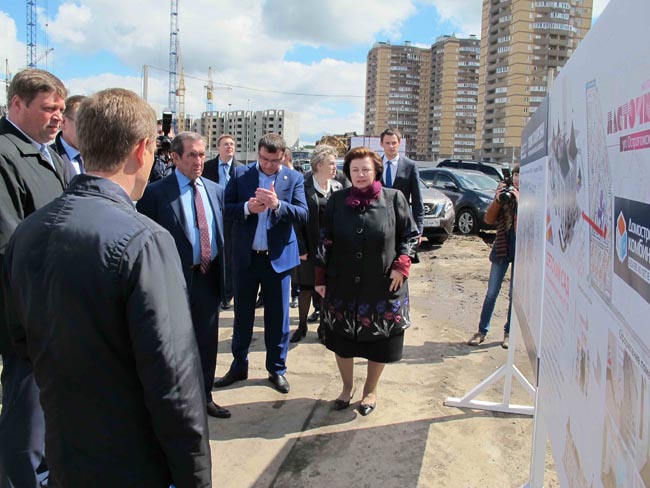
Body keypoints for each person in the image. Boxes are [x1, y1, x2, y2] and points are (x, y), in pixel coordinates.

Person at [2, 88, 212, 487]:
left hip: (61, 453)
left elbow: (20, 339)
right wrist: (196, 477)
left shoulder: (27, 231)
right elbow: (174, 381)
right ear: (142, 149)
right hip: (131, 462)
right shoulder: (146, 239)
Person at [0, 68, 68, 487]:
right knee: (26, 417)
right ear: (17, 104)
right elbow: (10, 247)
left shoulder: (51, 157)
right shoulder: (5, 156)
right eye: (48, 108)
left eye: (61, 108)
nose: (58, 116)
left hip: (53, 307)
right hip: (26, 313)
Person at [315, 147, 418, 416]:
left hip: (381, 284)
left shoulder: (393, 198)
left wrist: (402, 265)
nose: (360, 174)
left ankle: (370, 390)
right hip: (342, 284)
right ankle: (347, 387)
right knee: (342, 340)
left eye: (365, 169)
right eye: (355, 170)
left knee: (378, 342)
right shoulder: (337, 200)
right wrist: (320, 276)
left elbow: (410, 235)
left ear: (376, 172)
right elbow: (325, 239)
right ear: (348, 173)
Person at [137, 131, 231, 419]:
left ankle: (205, 397)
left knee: (206, 343)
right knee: (172, 346)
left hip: (208, 278)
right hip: (172, 282)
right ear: (175, 157)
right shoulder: (155, 193)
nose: (198, 160)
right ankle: (173, 403)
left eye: (202, 154)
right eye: (192, 155)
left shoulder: (215, 190)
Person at [214, 133, 308, 394]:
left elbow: (303, 214)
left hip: (277, 260)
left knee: (278, 318)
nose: (268, 165)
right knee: (242, 315)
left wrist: (278, 205)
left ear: (283, 157)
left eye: (274, 161)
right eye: (264, 159)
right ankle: (238, 365)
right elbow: (224, 208)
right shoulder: (240, 174)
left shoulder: (294, 178)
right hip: (246, 258)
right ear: (258, 153)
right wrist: (247, 208)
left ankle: (276, 369)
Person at [290, 144, 343, 343]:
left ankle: (323, 327)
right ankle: (302, 326)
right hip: (309, 248)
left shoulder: (337, 187)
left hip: (330, 250)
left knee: (326, 289)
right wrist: (300, 248)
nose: (335, 167)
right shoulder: (302, 186)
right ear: (319, 165)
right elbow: (295, 221)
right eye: (331, 163)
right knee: (306, 288)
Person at [467, 164, 520, 349]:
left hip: (521, 249)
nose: (517, 179)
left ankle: (509, 333)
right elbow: (489, 219)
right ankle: (482, 331)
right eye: (515, 175)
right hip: (502, 246)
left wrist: (519, 199)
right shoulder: (504, 192)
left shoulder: (531, 196)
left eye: (521, 175)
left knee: (514, 294)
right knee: (491, 292)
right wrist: (498, 200)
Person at [379, 128, 424, 240]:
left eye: (394, 143)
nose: (391, 146)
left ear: (399, 143)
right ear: (381, 144)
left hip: (403, 221)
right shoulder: (375, 166)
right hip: (379, 222)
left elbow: (417, 200)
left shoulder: (410, 166)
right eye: (387, 143)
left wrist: (418, 228)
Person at [51, 94, 87, 181]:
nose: (89, 130)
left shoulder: (102, 159)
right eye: (82, 124)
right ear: (63, 122)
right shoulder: (48, 159)